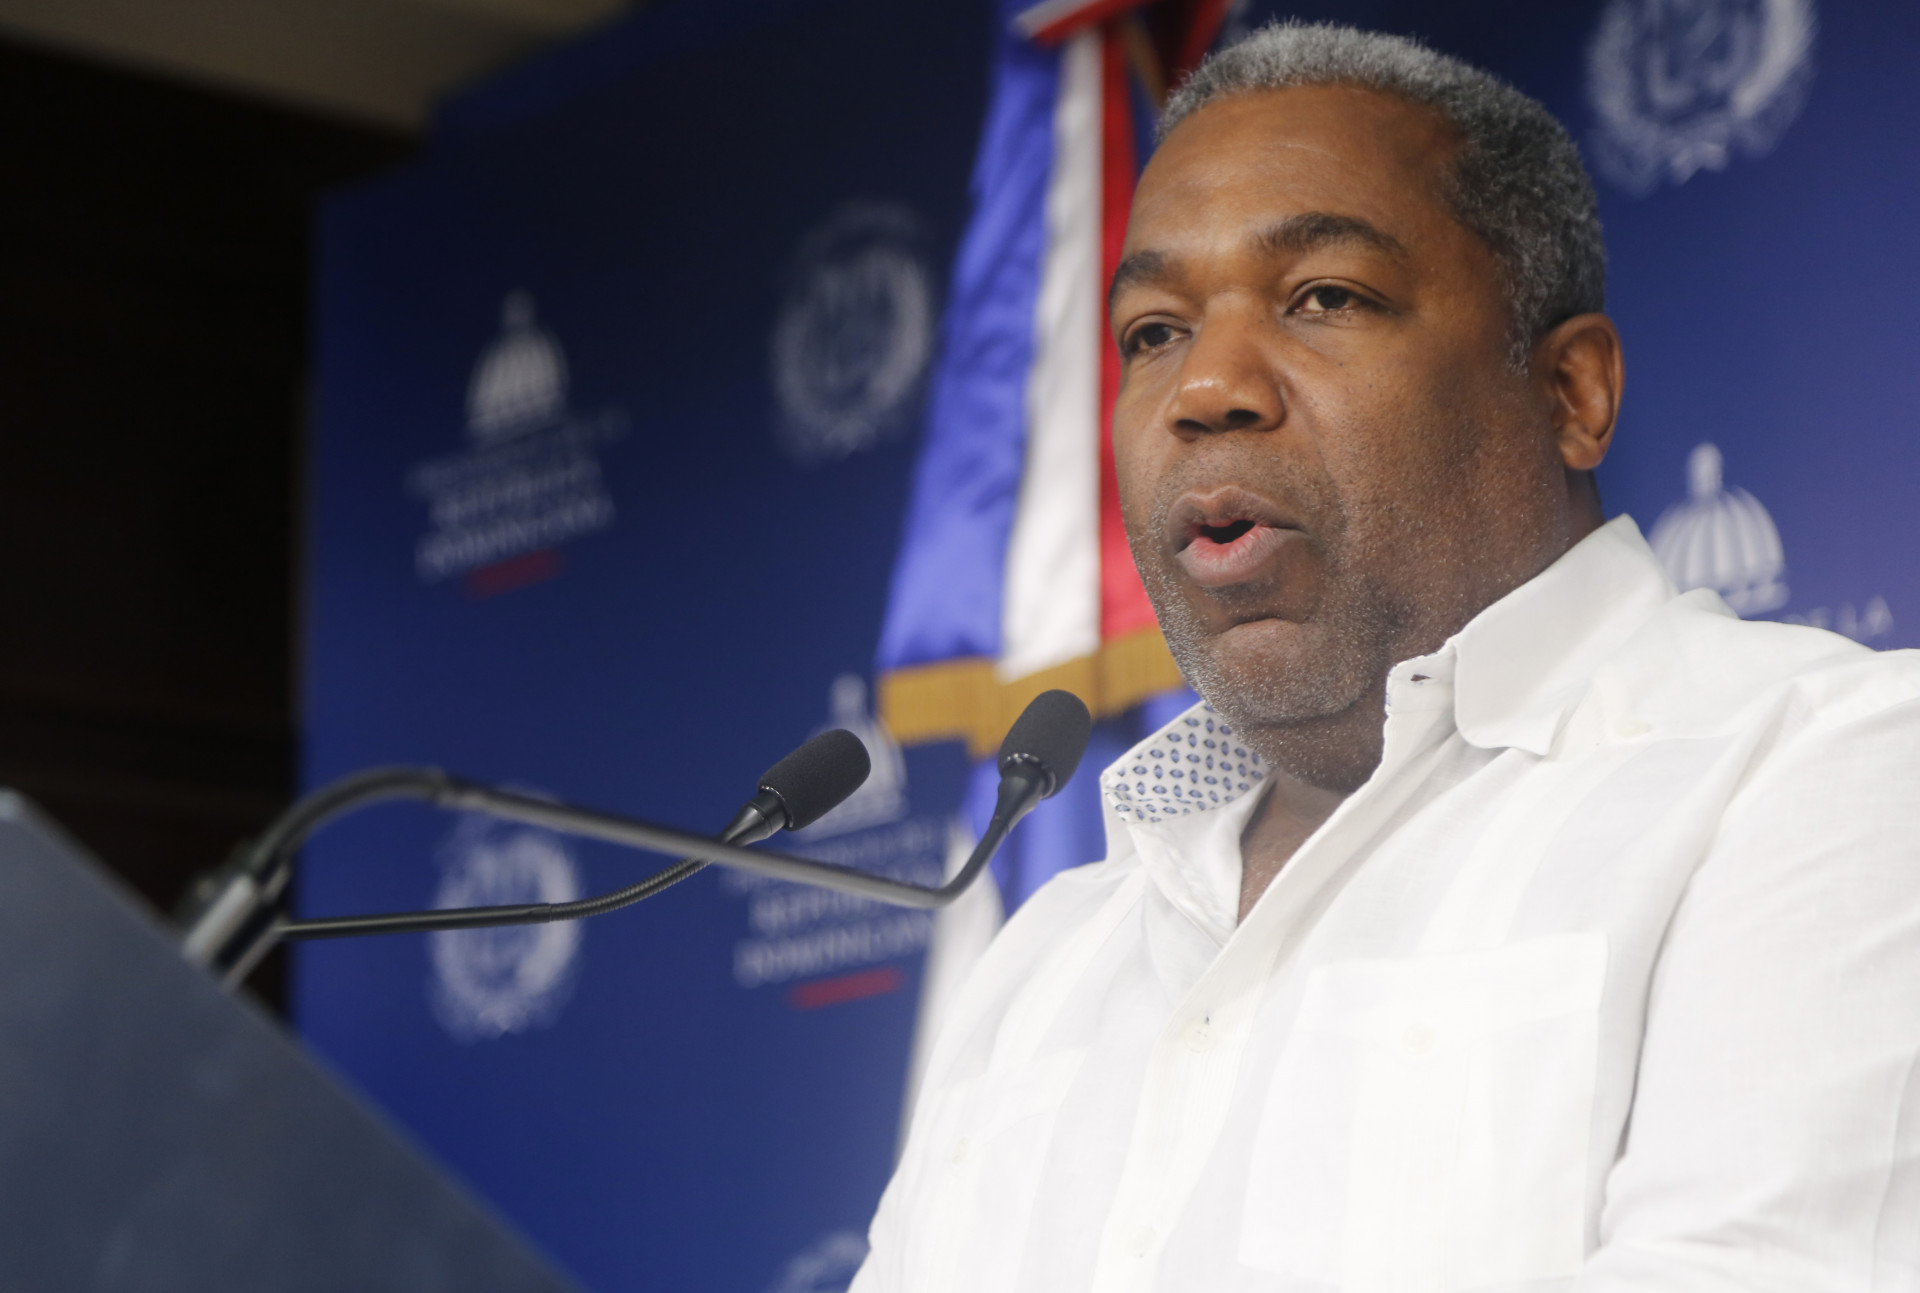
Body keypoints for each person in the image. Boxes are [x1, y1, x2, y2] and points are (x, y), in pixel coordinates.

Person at [850, 20, 1920, 1293]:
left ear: (1570, 392)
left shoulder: (1823, 772)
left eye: (1324, 298)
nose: (1206, 388)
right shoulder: (1045, 958)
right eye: (1152, 332)